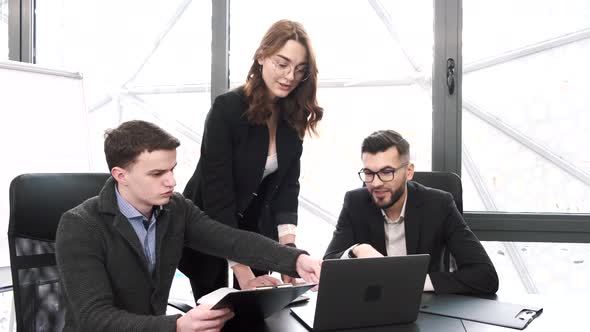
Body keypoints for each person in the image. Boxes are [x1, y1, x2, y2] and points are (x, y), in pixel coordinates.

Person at [55, 120, 322, 332]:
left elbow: (230, 240)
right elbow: (94, 319)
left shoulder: (175, 209)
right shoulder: (80, 226)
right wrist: (176, 325)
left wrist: (296, 260)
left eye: (171, 169)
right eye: (158, 174)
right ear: (120, 175)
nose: (171, 182)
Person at [180, 19, 323, 300]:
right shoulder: (228, 109)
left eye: (300, 70)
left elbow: (287, 189)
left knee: (265, 310)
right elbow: (218, 196)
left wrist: (289, 253)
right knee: (218, 311)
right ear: (262, 56)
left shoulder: (292, 117)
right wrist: (242, 274)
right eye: (282, 64)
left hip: (254, 230)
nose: (290, 76)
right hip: (208, 226)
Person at [324, 130, 499, 295]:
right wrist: (357, 250)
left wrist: (413, 282)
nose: (376, 183)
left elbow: (485, 276)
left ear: (408, 172)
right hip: (371, 310)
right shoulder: (355, 203)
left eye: (387, 172)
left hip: (426, 309)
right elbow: (327, 268)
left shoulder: (439, 204)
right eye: (369, 173)